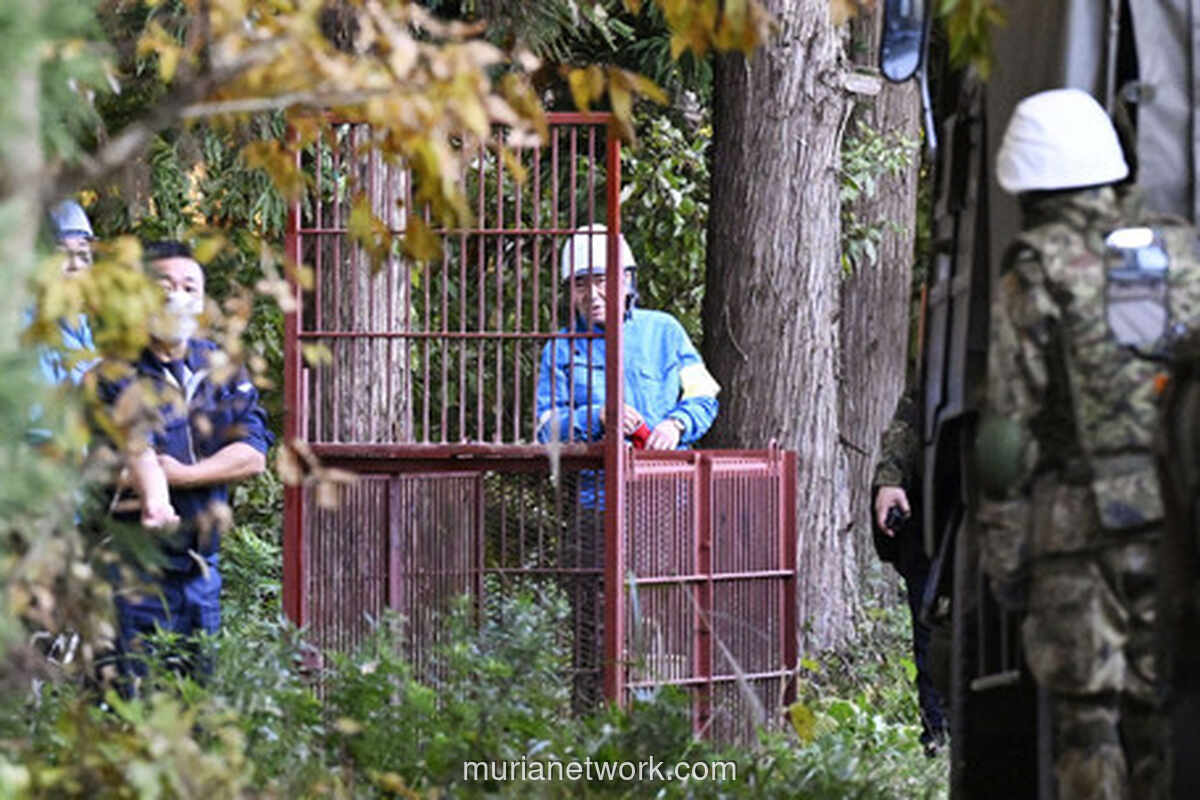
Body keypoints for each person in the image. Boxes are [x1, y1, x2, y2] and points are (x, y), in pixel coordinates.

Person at [976, 87, 1200, 799]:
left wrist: (1005, 558)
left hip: (1078, 528)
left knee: (1087, 724)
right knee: (1163, 709)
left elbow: (1006, 437)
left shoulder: (1037, 264)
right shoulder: (1182, 249)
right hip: (1177, 520)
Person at [534, 224, 720, 704]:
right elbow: (545, 427)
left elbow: (704, 393)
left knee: (661, 616)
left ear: (627, 280)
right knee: (591, 624)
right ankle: (593, 722)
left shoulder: (664, 331)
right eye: (580, 283)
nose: (593, 293)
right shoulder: (560, 348)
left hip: (662, 501)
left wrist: (677, 426)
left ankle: (660, 721)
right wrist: (595, 419)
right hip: (596, 505)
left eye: (603, 279)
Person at [97, 240, 273, 688]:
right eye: (165, 285)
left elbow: (252, 455)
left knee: (198, 703)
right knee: (132, 704)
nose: (177, 296)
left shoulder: (222, 370)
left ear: (201, 301)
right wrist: (155, 484)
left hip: (201, 572)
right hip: (134, 572)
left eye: (189, 287)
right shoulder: (114, 374)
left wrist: (183, 475)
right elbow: (122, 462)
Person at [872, 389, 948, 756]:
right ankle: (937, 733)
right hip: (937, 505)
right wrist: (891, 480)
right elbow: (912, 411)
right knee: (929, 621)